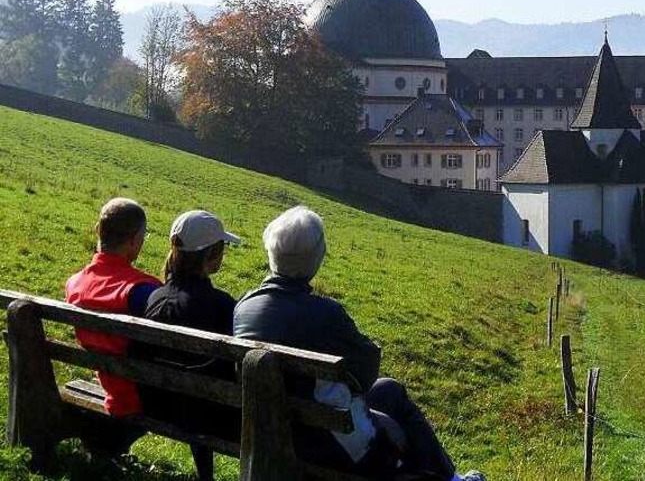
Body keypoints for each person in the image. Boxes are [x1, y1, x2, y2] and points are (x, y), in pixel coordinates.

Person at [233, 206, 486, 481]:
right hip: (324, 442)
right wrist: (376, 417)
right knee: (391, 396)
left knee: (388, 391)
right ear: (316, 258)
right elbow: (366, 374)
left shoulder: (245, 305)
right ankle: (448, 478)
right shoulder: (325, 314)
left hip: (270, 430)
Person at [137, 210, 242, 481]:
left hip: (157, 405)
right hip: (209, 417)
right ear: (211, 257)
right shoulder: (221, 305)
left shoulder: (155, 297)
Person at [65, 198, 161, 456]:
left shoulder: (74, 284)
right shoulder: (143, 290)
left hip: (109, 386)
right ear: (132, 242)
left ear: (99, 231)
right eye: (143, 237)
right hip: (138, 398)